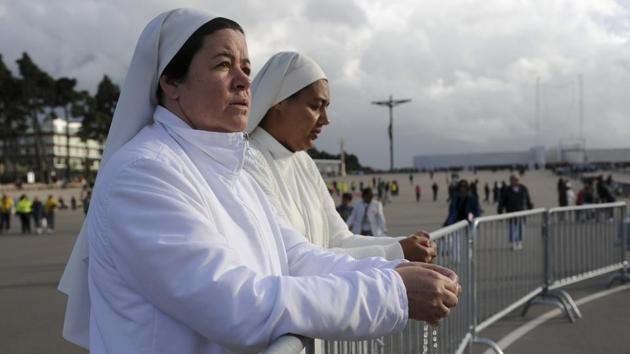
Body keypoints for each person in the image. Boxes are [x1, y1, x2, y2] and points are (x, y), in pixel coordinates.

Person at [58, 9, 459, 353]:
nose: (243, 81)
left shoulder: (232, 167)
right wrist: (392, 294)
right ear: (170, 83)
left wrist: (392, 272)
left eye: (247, 68)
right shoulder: (144, 173)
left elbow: (297, 257)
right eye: (222, 65)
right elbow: (234, 304)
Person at [244, 51, 436, 262]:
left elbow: (340, 240)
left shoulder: (304, 162)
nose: (326, 120)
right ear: (278, 101)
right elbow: (295, 258)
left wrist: (403, 244)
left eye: (327, 107)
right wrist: (397, 252)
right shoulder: (248, 161)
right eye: (316, 106)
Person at [498, 175, 533, 250]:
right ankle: (513, 243)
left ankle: (519, 242)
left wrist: (530, 208)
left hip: (521, 212)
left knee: (521, 228)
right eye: (514, 180)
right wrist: (500, 212)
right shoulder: (507, 190)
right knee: (512, 229)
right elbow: (502, 202)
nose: (516, 181)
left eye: (517, 179)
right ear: (511, 181)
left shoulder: (523, 188)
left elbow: (527, 199)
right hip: (511, 212)